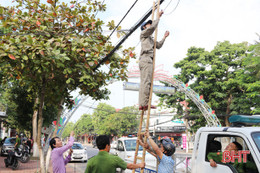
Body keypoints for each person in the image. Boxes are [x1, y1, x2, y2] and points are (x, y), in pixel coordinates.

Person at [139, 10, 170, 111]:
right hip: (145, 59)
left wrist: (164, 37)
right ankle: (144, 103)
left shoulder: (150, 39)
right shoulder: (144, 34)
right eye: (148, 24)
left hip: (149, 60)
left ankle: (144, 103)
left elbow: (159, 45)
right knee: (146, 82)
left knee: (147, 82)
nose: (150, 25)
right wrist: (158, 17)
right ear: (144, 27)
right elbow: (152, 28)